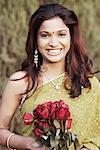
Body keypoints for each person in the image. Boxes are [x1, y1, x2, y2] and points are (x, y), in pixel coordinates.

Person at [0, 3, 100, 150]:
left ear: (71, 39)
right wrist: (28, 143)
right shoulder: (20, 82)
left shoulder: (88, 82)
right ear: (35, 39)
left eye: (61, 34)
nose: (53, 43)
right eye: (45, 35)